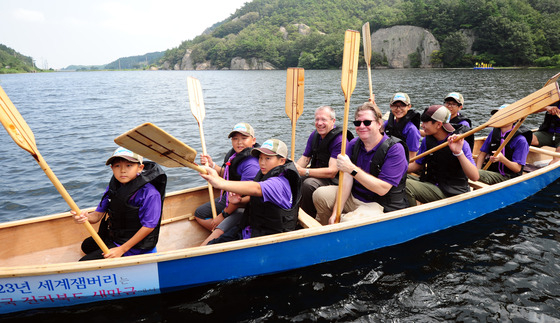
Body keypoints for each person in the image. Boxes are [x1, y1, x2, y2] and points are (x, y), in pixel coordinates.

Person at [313, 102, 409, 225]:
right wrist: (335, 212)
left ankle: (343, 232)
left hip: (381, 204)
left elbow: (382, 189)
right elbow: (346, 180)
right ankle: (327, 228)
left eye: (367, 122)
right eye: (358, 123)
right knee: (320, 195)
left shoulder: (395, 149)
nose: (362, 126)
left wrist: (352, 168)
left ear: (379, 124)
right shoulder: (353, 144)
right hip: (357, 196)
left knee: (347, 221)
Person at [73, 147, 167, 261]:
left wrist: (121, 249)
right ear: (112, 168)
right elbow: (96, 216)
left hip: (135, 245)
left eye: (129, 165)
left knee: (83, 262)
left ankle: (130, 254)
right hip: (116, 236)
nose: (122, 170)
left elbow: (148, 227)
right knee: (86, 246)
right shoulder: (114, 187)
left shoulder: (150, 194)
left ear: (140, 168)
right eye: (117, 166)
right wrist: (85, 217)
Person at [200, 139, 302, 243]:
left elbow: (256, 188)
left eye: (268, 158)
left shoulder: (278, 183)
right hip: (250, 230)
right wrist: (240, 202)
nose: (262, 162)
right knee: (211, 244)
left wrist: (220, 183)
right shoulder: (265, 174)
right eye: (260, 158)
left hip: (267, 240)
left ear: (282, 161)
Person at [194, 122, 260, 245]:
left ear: (253, 140)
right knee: (199, 213)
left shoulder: (251, 164)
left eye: (244, 138)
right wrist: (212, 165)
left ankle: (220, 233)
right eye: (235, 139)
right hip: (229, 196)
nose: (239, 142)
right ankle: (221, 231)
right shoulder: (235, 155)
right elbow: (227, 174)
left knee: (212, 237)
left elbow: (241, 197)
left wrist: (223, 215)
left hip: (243, 204)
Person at [406, 105, 479, 206]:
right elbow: (417, 165)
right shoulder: (427, 140)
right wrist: (395, 170)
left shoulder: (460, 143)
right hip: (431, 183)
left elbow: (475, 176)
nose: (422, 125)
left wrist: (459, 153)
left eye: (425, 122)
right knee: (398, 178)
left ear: (438, 124)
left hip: (451, 191)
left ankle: (412, 217)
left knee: (406, 185)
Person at [295, 105, 352, 218]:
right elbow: (305, 158)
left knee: (308, 184)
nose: (319, 123)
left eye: (324, 120)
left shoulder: (340, 140)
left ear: (333, 121)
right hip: (319, 174)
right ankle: (294, 211)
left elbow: (332, 172)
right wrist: (293, 169)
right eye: (317, 119)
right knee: (294, 178)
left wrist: (304, 171)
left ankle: (308, 217)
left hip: (335, 180)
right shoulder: (315, 135)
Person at [477, 104, 531, 184]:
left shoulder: (521, 140)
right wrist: (477, 171)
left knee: (473, 172)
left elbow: (517, 169)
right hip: (491, 171)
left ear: (514, 120)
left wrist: (502, 159)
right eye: (499, 115)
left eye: (505, 116)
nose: (501, 118)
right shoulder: (494, 133)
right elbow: (482, 155)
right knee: (469, 170)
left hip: (508, 177)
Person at [383, 92, 421, 159]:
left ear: (409, 107)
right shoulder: (387, 124)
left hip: (402, 163)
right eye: (395, 105)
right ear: (390, 106)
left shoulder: (412, 130)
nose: (398, 109)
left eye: (402, 105)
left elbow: (411, 157)